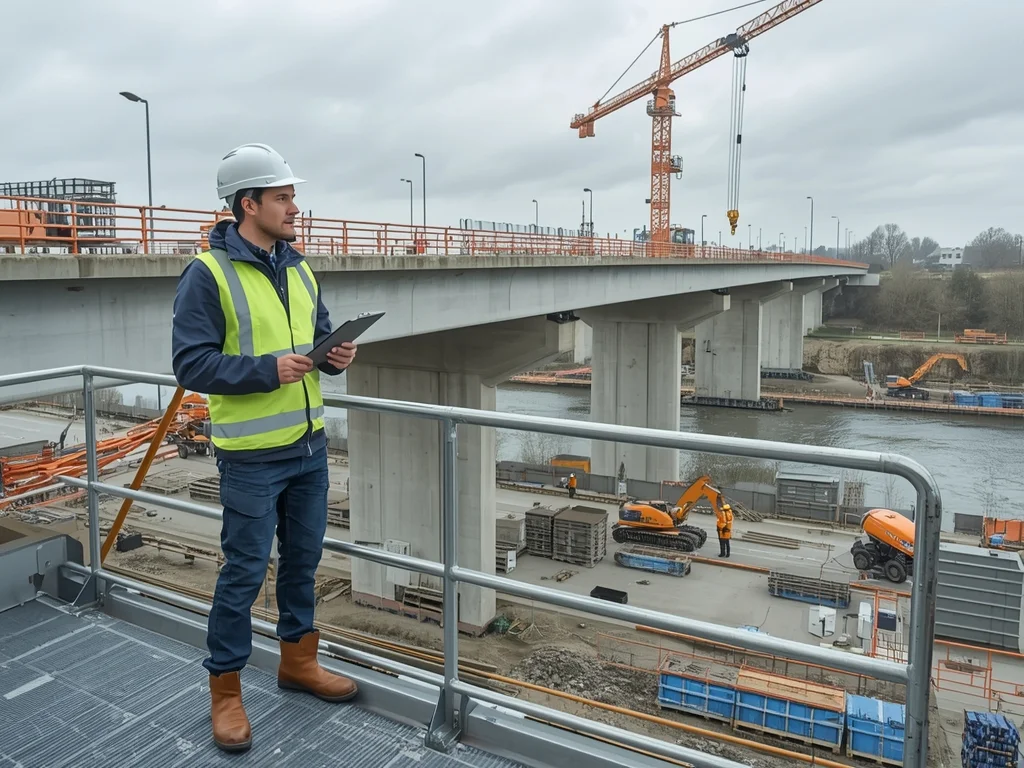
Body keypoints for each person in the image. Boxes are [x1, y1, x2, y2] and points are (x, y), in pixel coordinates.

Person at [172, 143, 359, 753]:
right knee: (245, 573)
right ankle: (225, 692)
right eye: (283, 197)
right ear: (247, 204)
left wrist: (335, 357)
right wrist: (264, 370)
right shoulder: (208, 274)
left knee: (303, 563)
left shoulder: (300, 268)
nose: (295, 206)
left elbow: (314, 344)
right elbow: (190, 364)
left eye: (293, 196)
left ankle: (298, 663)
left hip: (308, 448)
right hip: (251, 457)